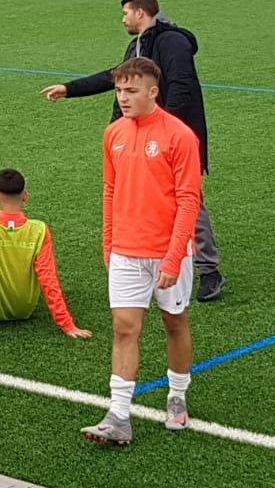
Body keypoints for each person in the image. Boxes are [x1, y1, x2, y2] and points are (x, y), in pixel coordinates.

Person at [40, 0, 225, 302]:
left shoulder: (172, 42)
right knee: (136, 195)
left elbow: (181, 87)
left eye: (126, 13)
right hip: (138, 137)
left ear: (141, 12)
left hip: (170, 141)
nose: (123, 19)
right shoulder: (139, 44)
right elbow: (115, 77)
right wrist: (70, 89)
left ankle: (209, 270)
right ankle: (144, 257)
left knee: (188, 200)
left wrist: (165, 131)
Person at [80, 58, 200, 447]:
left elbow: (188, 200)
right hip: (126, 251)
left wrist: (173, 256)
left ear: (153, 92)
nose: (123, 98)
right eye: (119, 90)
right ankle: (118, 415)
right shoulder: (113, 133)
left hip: (168, 251)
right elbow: (110, 190)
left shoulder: (180, 136)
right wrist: (109, 243)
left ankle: (177, 394)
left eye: (131, 91)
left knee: (174, 322)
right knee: (123, 328)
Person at [0, 169, 91, 340]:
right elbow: (48, 278)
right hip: (24, 309)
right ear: (25, 196)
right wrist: (67, 325)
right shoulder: (39, 230)